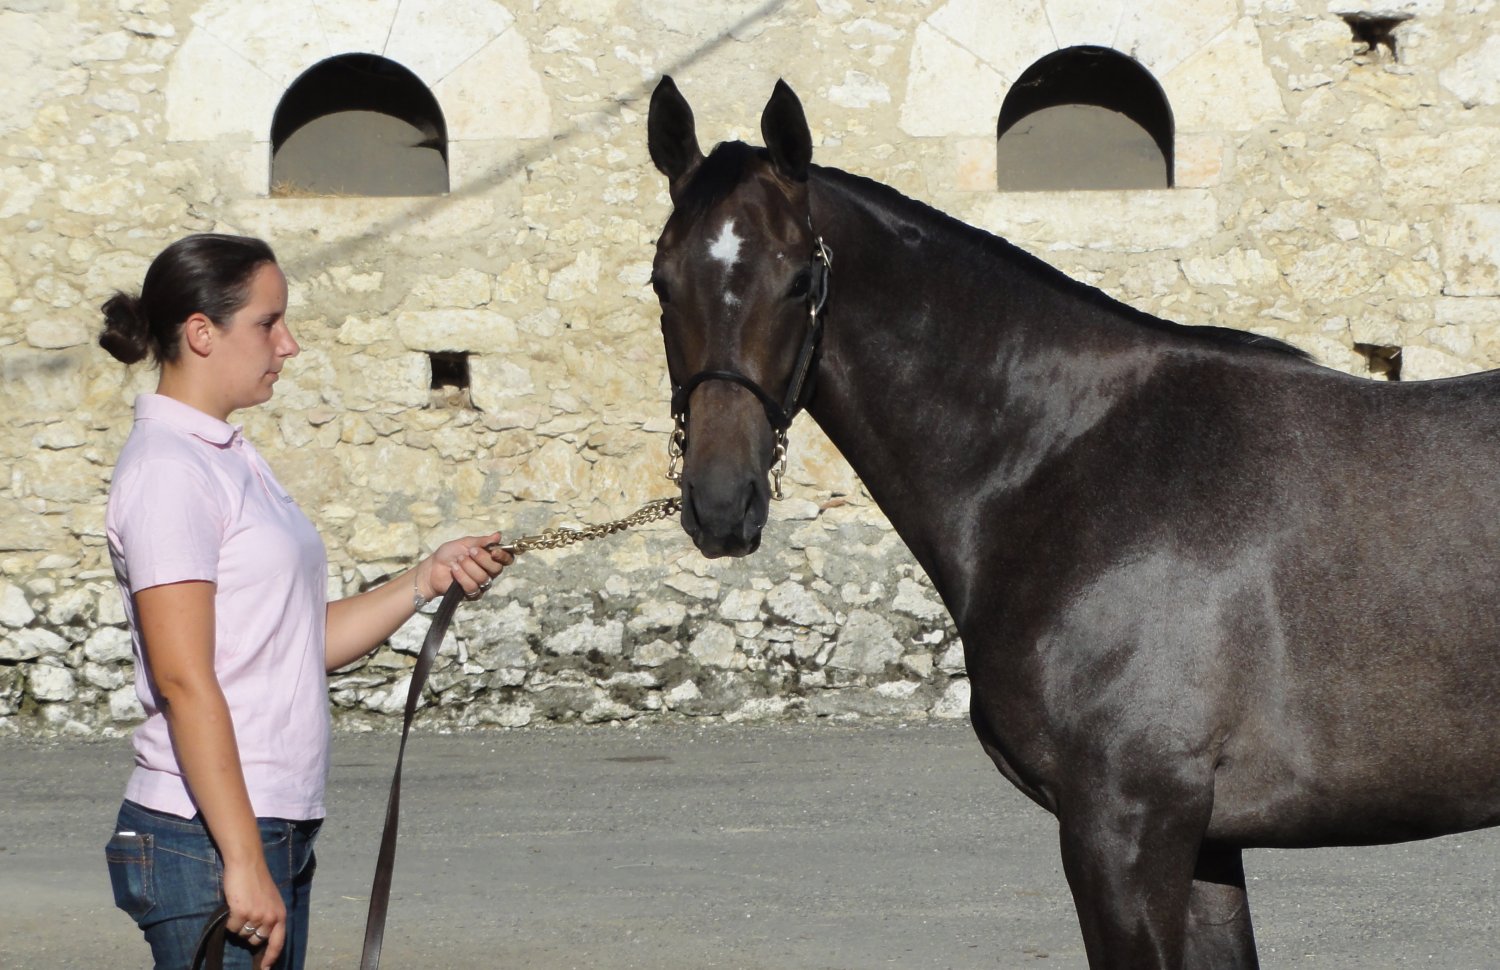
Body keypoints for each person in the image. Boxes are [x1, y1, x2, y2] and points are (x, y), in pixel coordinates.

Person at [98, 233, 513, 969]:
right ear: (202, 332)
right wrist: (241, 858)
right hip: (207, 836)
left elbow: (294, 642)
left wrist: (426, 580)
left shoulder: (228, 456)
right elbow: (183, 678)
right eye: (268, 322)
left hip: (263, 823)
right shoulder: (169, 470)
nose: (287, 344)